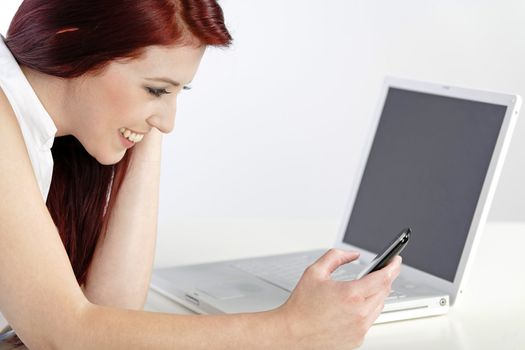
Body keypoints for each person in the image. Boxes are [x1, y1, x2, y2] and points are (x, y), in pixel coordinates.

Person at [0, 0, 402, 348]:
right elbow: (66, 336)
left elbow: (111, 310)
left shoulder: (33, 131)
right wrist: (291, 330)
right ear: (72, 40)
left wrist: (147, 123)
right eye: (157, 89)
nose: (171, 122)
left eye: (180, 91)